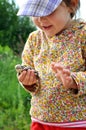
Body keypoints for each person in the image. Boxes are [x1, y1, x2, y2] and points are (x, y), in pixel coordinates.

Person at [16, 0, 86, 129]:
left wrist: (73, 81)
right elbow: (29, 72)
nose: (41, 19)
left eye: (48, 11)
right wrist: (28, 81)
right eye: (35, 12)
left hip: (77, 123)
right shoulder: (34, 40)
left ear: (72, 5)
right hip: (40, 120)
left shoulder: (82, 35)